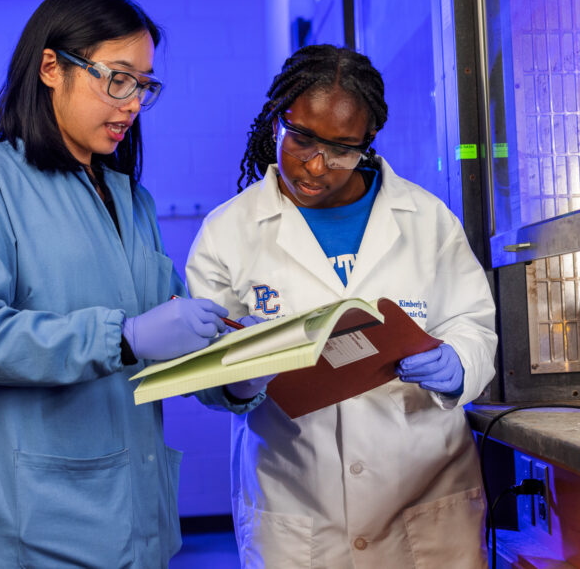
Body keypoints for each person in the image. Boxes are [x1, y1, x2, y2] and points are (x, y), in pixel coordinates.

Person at [0, 0, 263, 568]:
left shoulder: (132, 200)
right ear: (52, 67)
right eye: (118, 78)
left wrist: (242, 373)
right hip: (32, 531)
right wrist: (122, 337)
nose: (133, 102)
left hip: (138, 523)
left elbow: (169, 345)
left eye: (145, 85)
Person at [186, 44, 498, 567]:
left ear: (368, 143)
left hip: (424, 499)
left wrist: (458, 363)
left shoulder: (426, 219)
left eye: (341, 148)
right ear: (275, 119)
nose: (314, 164)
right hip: (297, 507)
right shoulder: (228, 232)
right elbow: (207, 369)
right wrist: (238, 379)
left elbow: (473, 322)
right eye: (300, 136)